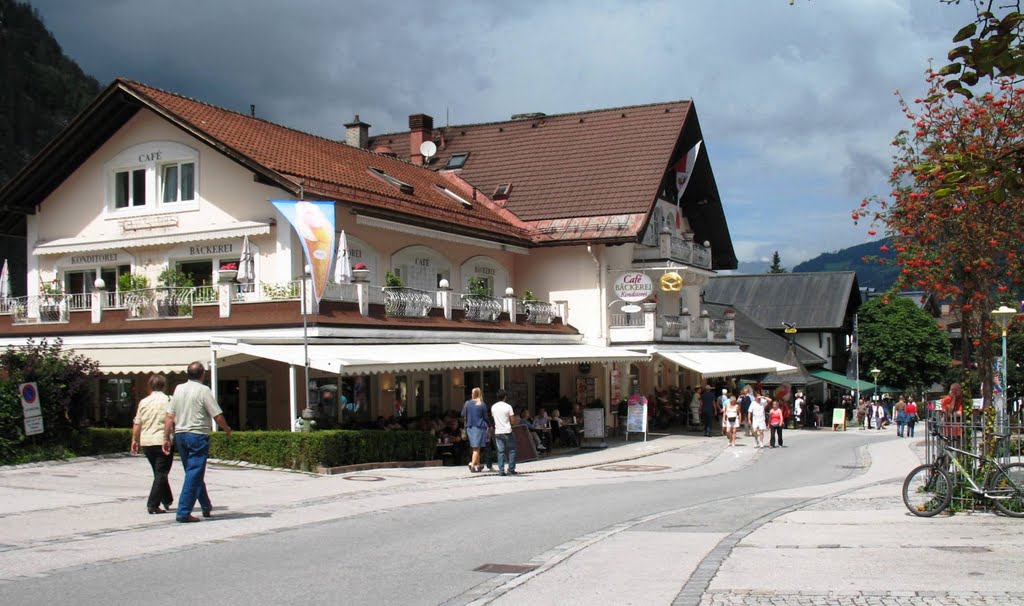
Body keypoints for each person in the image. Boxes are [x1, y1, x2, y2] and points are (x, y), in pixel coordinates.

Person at [163, 361, 232, 523]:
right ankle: (183, 511)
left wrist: (166, 437)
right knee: (194, 473)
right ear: (203, 374)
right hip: (197, 435)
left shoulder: (178, 389)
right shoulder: (204, 390)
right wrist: (227, 429)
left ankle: (206, 505)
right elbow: (217, 415)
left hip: (181, 435)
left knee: (193, 472)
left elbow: (169, 416)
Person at [131, 374, 174, 514]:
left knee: (158, 472)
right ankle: (153, 504)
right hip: (163, 441)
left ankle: (167, 499)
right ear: (164, 386)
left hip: (147, 441)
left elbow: (138, 423)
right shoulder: (169, 400)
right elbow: (173, 419)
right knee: (161, 472)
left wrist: (134, 440)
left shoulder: (144, 402)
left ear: (150, 386)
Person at [461, 387, 489, 472]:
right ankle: (472, 465)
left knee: (476, 447)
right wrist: (490, 426)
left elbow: (462, 414)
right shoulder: (482, 404)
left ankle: (478, 464)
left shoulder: (467, 403)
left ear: (473, 394)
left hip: (470, 427)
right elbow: (486, 418)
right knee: (476, 448)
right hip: (479, 427)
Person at [491, 389, 517, 476]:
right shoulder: (508, 407)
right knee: (512, 450)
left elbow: (493, 419)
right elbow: (513, 421)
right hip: (507, 431)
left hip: (498, 431)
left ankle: (501, 470)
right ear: (505, 397)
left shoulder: (493, 407)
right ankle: (511, 469)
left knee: (500, 452)